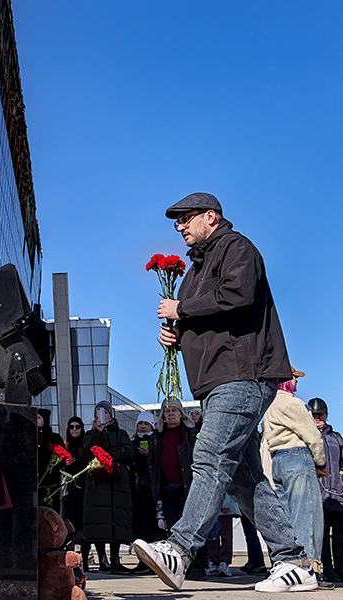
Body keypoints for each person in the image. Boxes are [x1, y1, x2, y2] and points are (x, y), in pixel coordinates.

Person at [133, 192, 315, 593]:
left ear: (211, 217)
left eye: (186, 218)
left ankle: (180, 550)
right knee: (242, 477)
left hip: (244, 374)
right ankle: (294, 561)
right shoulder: (194, 271)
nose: (179, 226)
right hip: (218, 380)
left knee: (210, 456)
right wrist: (177, 335)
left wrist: (180, 310)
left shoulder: (237, 248)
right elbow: (207, 318)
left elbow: (237, 296)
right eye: (176, 221)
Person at [260, 369, 327, 584]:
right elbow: (314, 438)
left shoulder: (268, 405)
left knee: (287, 517)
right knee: (307, 514)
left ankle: (291, 565)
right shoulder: (294, 403)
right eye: (295, 377)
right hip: (297, 456)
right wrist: (321, 462)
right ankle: (310, 570)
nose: (297, 381)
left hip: (278, 460)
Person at [83, 400, 134, 574]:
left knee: (116, 519)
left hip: (118, 482)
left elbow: (127, 451)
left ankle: (115, 559)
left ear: (111, 414)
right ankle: (102, 559)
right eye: (98, 412)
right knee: (99, 519)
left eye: (105, 412)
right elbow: (88, 452)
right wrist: (98, 432)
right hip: (98, 483)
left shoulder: (121, 433)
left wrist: (106, 456)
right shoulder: (90, 434)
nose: (102, 416)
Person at [148, 398, 197, 532]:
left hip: (188, 488)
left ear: (181, 413)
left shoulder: (193, 435)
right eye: (167, 411)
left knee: (192, 528)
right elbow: (152, 463)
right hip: (167, 490)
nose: (171, 414)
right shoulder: (156, 437)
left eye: (174, 410)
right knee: (172, 528)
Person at [311, 398, 343, 582]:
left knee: (340, 532)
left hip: (337, 493)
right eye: (314, 415)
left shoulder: (336, 437)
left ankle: (340, 567)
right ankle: (327, 568)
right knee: (322, 533)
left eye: (320, 415)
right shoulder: (307, 436)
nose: (317, 418)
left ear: (326, 415)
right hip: (318, 492)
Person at [61, 416, 92, 569]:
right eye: (71, 427)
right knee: (69, 524)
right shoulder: (65, 445)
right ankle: (70, 559)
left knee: (83, 524)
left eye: (77, 427)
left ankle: (85, 560)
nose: (74, 430)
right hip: (69, 490)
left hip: (84, 489)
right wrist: (66, 464)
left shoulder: (85, 446)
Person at [130, 411, 160, 560]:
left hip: (152, 487)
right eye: (140, 424)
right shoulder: (132, 443)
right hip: (137, 488)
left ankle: (154, 559)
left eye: (146, 424)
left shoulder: (156, 441)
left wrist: (150, 455)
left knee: (152, 525)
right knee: (139, 525)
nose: (143, 427)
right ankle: (141, 560)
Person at [205, 495, 238, 577]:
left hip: (226, 509)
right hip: (212, 508)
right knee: (212, 537)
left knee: (226, 537)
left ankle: (224, 562)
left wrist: (227, 504)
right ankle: (213, 562)